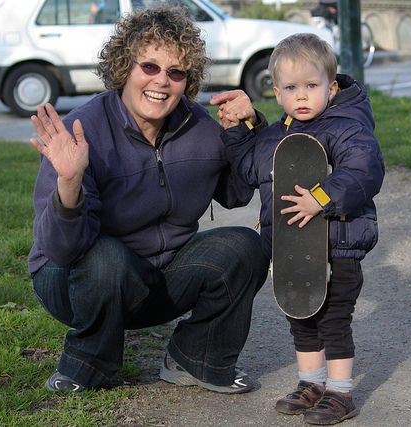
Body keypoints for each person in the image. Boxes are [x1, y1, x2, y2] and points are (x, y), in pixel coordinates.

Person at [28, 3, 269, 395]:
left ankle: (197, 359)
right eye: (150, 66)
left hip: (156, 280)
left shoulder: (198, 126)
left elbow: (236, 192)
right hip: (74, 281)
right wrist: (69, 182)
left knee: (245, 246)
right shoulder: (84, 131)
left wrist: (248, 129)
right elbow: (61, 250)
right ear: (125, 66)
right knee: (106, 258)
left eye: (176, 72)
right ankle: (86, 366)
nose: (162, 81)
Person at [217, 33, 384, 424]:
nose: (303, 95)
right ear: (277, 94)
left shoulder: (346, 128)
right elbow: (249, 167)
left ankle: (340, 392)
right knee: (301, 315)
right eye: (292, 88)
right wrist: (239, 128)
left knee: (334, 320)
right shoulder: (274, 136)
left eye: (312, 85)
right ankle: (311, 383)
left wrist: (321, 198)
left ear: (332, 87)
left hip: (337, 247)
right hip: (291, 249)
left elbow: (364, 169)